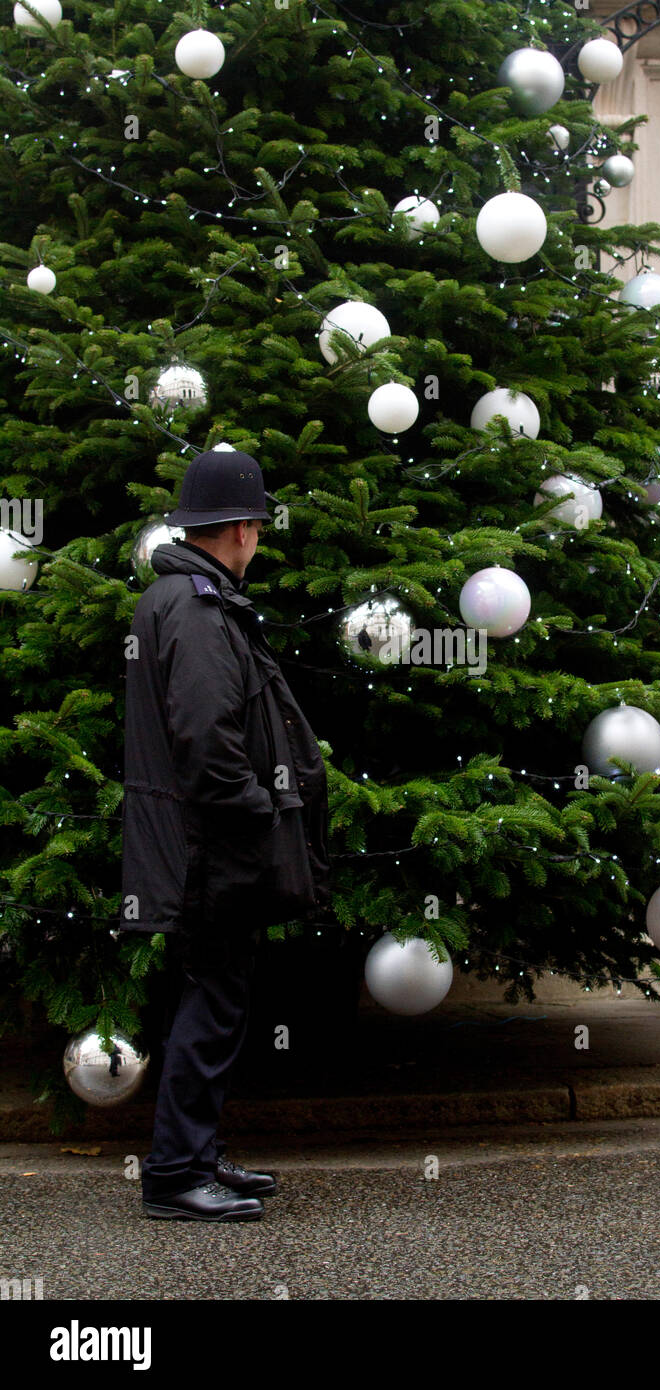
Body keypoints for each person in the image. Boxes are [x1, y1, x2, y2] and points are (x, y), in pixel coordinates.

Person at [119, 448, 330, 1221]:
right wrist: (255, 811)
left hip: (196, 841)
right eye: (260, 528)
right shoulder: (200, 607)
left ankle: (194, 1156)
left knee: (211, 999)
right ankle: (176, 1175)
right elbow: (209, 737)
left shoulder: (175, 597)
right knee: (212, 1004)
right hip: (211, 844)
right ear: (241, 528)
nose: (260, 540)